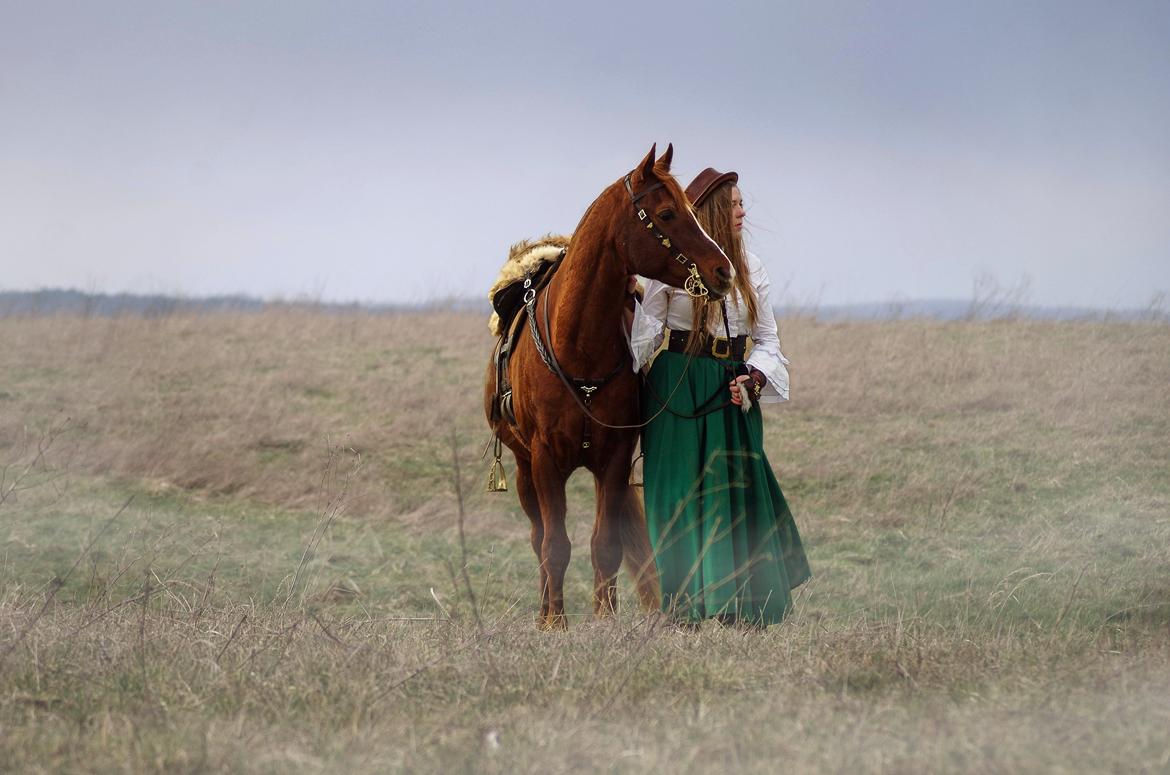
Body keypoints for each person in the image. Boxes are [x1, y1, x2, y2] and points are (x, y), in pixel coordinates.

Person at [628, 167, 810, 627]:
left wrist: (753, 378)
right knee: (677, 497)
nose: (743, 211)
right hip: (675, 387)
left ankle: (742, 607)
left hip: (733, 390)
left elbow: (769, 342)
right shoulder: (671, 266)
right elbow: (643, 339)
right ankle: (683, 610)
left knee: (736, 494)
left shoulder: (751, 265)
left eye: (741, 204)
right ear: (713, 210)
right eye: (734, 205)